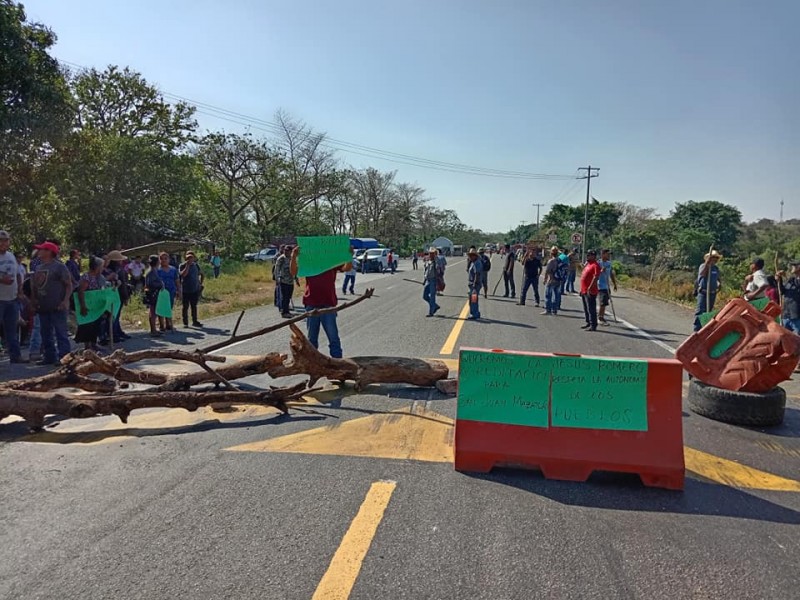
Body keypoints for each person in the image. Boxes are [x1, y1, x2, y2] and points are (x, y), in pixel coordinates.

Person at [289, 245, 351, 358]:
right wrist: (294, 256)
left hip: (328, 304)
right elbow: (293, 272)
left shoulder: (331, 262)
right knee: (312, 340)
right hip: (312, 303)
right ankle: (313, 364)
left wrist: (349, 255)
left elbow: (346, 268)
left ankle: (338, 364)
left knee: (333, 338)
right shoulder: (309, 262)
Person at [30, 241, 72, 365]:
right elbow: (36, 286)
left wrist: (65, 301)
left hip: (57, 305)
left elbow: (68, 284)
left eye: (41, 249)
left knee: (60, 332)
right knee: (45, 333)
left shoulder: (59, 267)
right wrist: (34, 300)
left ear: (49, 252)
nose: (39, 251)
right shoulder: (38, 267)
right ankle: (49, 356)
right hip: (43, 306)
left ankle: (65, 357)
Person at [0, 230, 25, 363]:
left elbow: (18, 274)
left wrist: (20, 290)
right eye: (1, 240)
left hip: (12, 298)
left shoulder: (10, 256)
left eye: (6, 240)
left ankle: (15, 356)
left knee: (12, 329)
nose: (3, 243)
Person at [74, 256, 107, 351]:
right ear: (97, 267)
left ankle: (94, 343)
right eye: (101, 266)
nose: (102, 269)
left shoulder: (99, 277)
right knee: (87, 325)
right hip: (88, 305)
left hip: (96, 307)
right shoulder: (87, 277)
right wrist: (83, 306)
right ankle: (87, 346)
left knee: (96, 324)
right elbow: (81, 291)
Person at [693, 250, 722, 332]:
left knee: (708, 312)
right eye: (713, 258)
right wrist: (707, 264)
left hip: (712, 293)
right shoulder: (703, 266)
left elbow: (718, 278)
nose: (715, 259)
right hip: (703, 293)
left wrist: (719, 284)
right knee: (700, 312)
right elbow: (702, 274)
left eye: (716, 258)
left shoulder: (716, 268)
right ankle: (696, 330)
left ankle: (704, 329)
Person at [179, 251, 204, 327]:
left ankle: (195, 321)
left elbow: (201, 274)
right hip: (186, 289)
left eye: (191, 257)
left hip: (194, 289)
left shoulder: (196, 265)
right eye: (188, 258)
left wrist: (200, 283)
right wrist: (187, 265)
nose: (190, 259)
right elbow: (183, 275)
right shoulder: (182, 265)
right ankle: (185, 322)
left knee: (194, 306)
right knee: (185, 306)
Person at [580, 249, 602, 332]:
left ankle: (593, 325)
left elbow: (596, 277)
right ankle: (588, 322)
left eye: (589, 255)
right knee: (586, 308)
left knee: (591, 308)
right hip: (584, 290)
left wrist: (590, 287)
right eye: (587, 254)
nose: (587, 256)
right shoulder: (588, 264)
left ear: (594, 256)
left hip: (590, 290)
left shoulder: (595, 265)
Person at [156, 251, 179, 331]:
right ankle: (162, 325)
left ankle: (168, 324)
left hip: (171, 291)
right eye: (161, 259)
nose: (164, 260)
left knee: (169, 307)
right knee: (161, 308)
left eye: (165, 258)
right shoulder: (157, 270)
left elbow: (176, 280)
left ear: (168, 259)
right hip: (161, 292)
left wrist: (179, 290)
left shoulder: (173, 269)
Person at [143, 255, 165, 337]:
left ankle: (155, 329)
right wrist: (159, 285)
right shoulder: (151, 272)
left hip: (157, 294)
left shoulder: (155, 271)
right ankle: (153, 330)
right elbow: (149, 284)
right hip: (153, 294)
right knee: (153, 312)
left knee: (155, 312)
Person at [777, 261, 800, 334]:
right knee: (786, 338)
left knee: (797, 339)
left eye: (794, 265)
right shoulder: (791, 280)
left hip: (796, 316)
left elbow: (797, 286)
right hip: (786, 315)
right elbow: (782, 291)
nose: (792, 267)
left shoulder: (796, 281)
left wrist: (785, 276)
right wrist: (779, 279)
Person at [597, 249, 618, 326]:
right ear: (603, 254)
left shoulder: (609, 263)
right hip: (600, 286)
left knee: (605, 303)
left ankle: (602, 316)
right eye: (607, 254)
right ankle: (600, 318)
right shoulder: (598, 263)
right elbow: (594, 273)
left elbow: (611, 274)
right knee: (602, 303)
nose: (609, 255)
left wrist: (614, 284)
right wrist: (601, 271)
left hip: (606, 285)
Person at [274, 245, 295, 318]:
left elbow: (294, 269)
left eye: (288, 251)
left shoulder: (292, 258)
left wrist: (296, 278)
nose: (286, 252)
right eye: (285, 250)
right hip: (283, 281)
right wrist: (277, 279)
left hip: (291, 281)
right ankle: (284, 312)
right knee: (285, 297)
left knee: (289, 297)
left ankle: (287, 311)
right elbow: (277, 269)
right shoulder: (281, 258)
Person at [542, 246, 561, 316]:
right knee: (556, 295)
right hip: (558, 280)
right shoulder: (559, 260)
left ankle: (548, 310)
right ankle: (554, 310)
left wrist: (545, 279)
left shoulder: (551, 261)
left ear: (551, 253)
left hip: (551, 280)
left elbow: (547, 271)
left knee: (548, 295)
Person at [423, 249, 442, 317]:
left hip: (434, 281)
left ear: (435, 254)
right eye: (430, 253)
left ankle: (431, 312)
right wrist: (424, 280)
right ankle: (435, 306)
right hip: (428, 280)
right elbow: (426, 272)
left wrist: (437, 283)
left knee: (432, 297)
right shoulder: (428, 261)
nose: (431, 255)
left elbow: (439, 272)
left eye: (432, 253)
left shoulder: (436, 261)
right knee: (425, 296)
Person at [467, 247, 483, 320]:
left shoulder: (477, 263)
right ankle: (474, 313)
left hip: (475, 285)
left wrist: (474, 284)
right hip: (471, 284)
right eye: (470, 255)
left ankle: (475, 314)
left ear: (475, 256)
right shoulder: (472, 262)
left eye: (472, 255)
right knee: (472, 300)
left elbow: (477, 274)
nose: (470, 256)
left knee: (473, 300)